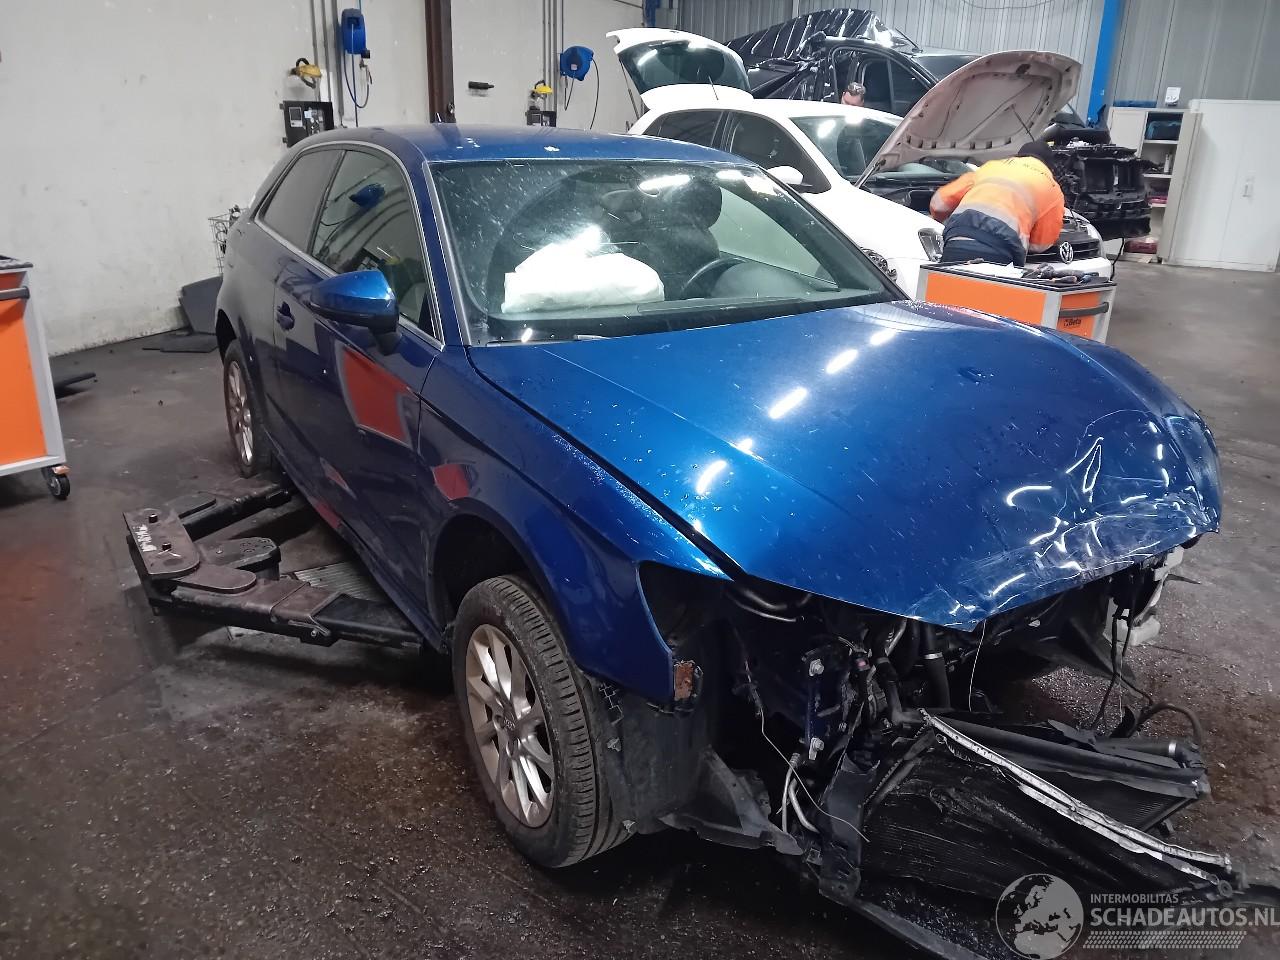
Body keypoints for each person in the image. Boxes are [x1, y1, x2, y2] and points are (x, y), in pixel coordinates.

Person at [929, 140, 1065, 266]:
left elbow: (938, 204)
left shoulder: (990, 167)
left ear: (1018, 156)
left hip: (956, 242)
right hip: (998, 254)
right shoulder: (1052, 187)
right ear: (1049, 167)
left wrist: (945, 221)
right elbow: (1040, 245)